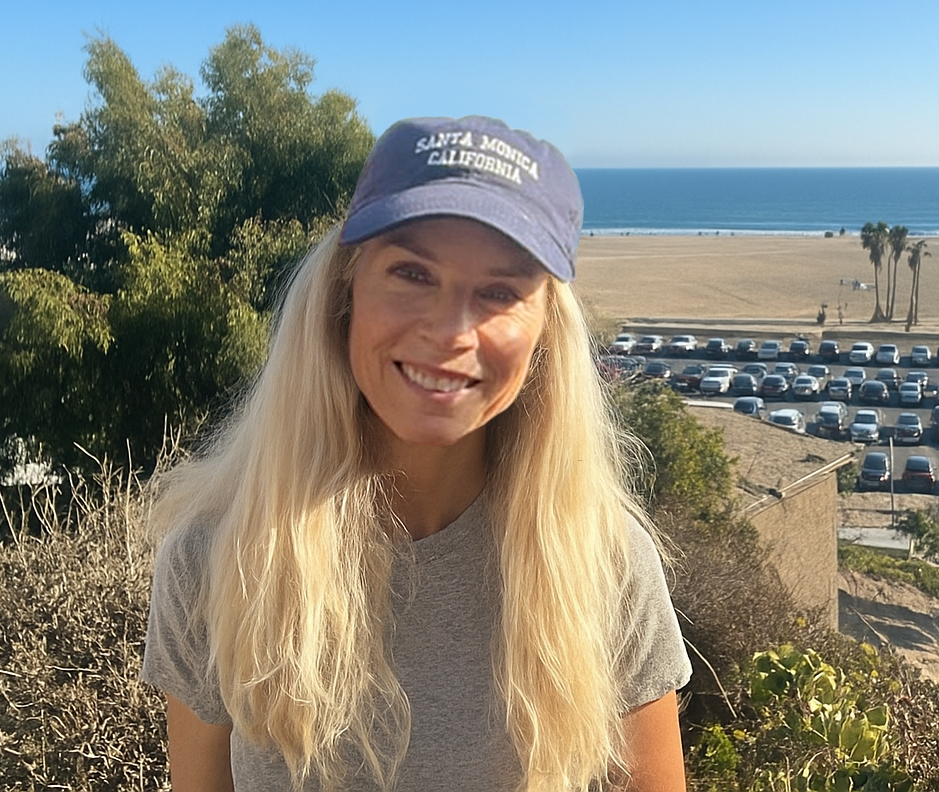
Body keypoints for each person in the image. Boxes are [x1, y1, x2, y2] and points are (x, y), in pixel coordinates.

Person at [142, 115, 691, 791]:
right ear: (346, 288)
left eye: (499, 291)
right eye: (410, 271)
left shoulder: (602, 560)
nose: (450, 331)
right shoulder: (215, 551)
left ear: (543, 328)